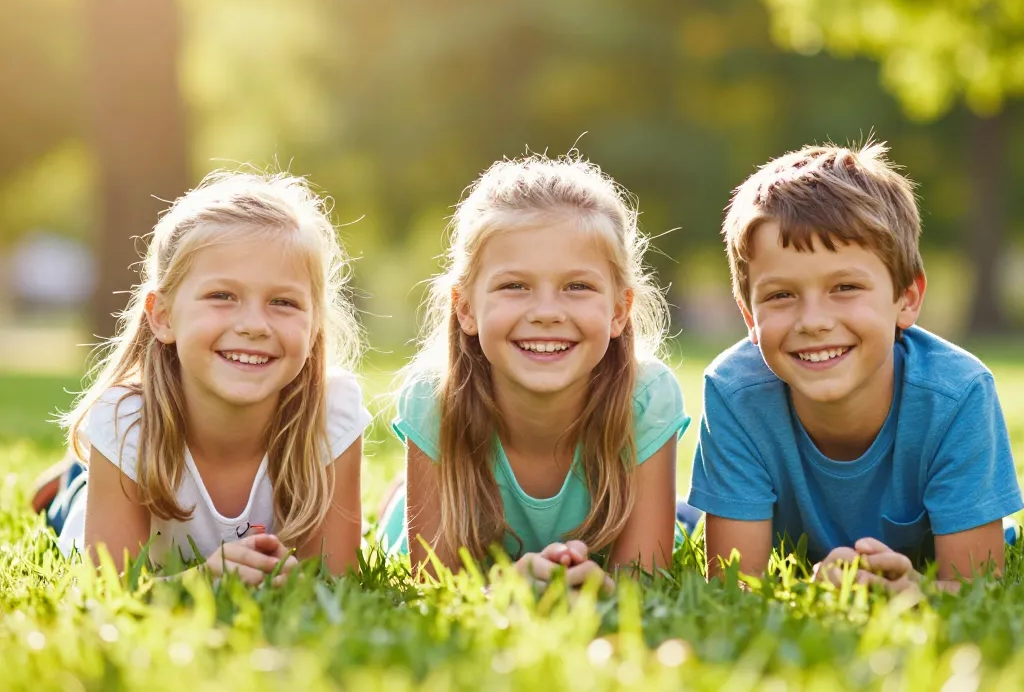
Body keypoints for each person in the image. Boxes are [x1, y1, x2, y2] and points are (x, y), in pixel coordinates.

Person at [686, 142, 1023, 591]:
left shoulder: (958, 395)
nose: (814, 322)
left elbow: (975, 584)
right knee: (682, 519)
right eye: (780, 295)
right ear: (749, 316)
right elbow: (732, 587)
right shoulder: (735, 392)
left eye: (844, 287)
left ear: (907, 298)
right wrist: (807, 591)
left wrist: (916, 590)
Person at [32, 170, 371, 582]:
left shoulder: (331, 414)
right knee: (77, 505)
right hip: (103, 495)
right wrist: (203, 579)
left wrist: (297, 583)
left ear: (315, 322)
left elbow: (340, 580)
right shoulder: (126, 421)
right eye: (222, 296)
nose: (253, 325)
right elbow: (108, 592)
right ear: (162, 316)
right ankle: (72, 483)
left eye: (283, 302)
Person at [378, 153, 690, 588]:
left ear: (620, 311)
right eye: (514, 286)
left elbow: (644, 579)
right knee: (400, 510)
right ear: (466, 308)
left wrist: (605, 589)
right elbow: (436, 586)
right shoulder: (434, 396)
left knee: (685, 515)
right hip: (422, 528)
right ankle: (398, 495)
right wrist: (503, 587)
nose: (546, 313)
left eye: (577, 287)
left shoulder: (646, 395)